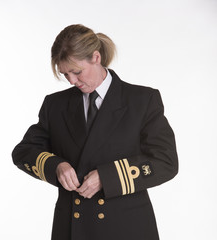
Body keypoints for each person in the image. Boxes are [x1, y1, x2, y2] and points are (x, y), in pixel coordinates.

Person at [12, 24, 178, 240]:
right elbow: (23, 152)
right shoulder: (55, 105)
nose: (72, 80)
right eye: (65, 74)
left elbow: (165, 161)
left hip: (126, 228)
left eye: (76, 71)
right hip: (71, 227)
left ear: (96, 57)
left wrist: (108, 177)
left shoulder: (142, 100)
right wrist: (56, 166)